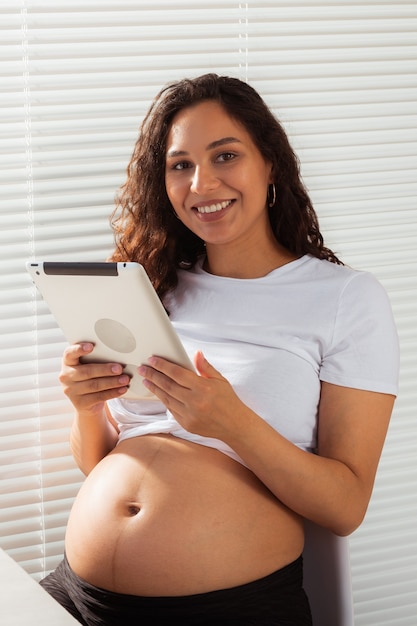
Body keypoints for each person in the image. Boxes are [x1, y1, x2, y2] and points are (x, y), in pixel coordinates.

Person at [40, 74, 399, 625]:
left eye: (225, 155)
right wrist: (88, 406)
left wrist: (232, 423)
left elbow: (345, 507)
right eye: (180, 165)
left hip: (225, 607)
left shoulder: (346, 298)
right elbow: (100, 463)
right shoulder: (154, 285)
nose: (201, 183)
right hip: (78, 596)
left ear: (270, 164)